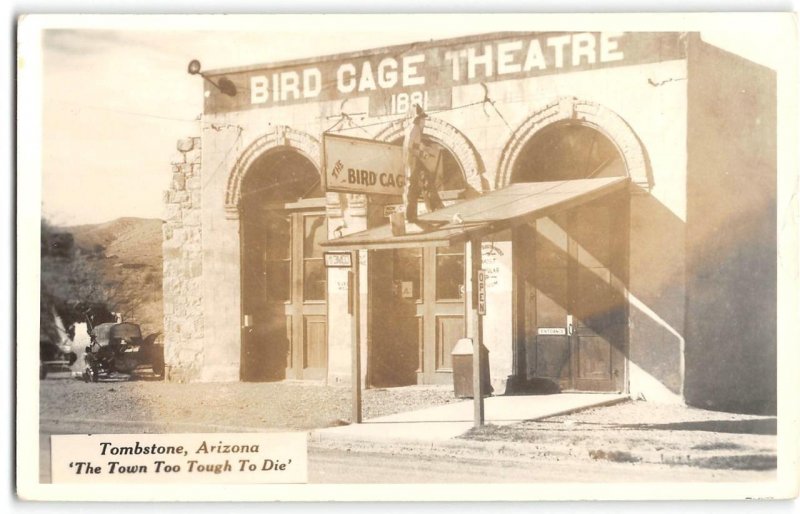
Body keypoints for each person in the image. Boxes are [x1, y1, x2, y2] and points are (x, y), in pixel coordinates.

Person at [401, 104, 444, 226]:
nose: (424, 123)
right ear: (418, 119)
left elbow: (416, 145)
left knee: (426, 180)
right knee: (412, 187)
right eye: (423, 120)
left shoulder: (414, 129)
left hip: (414, 161)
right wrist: (422, 153)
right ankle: (411, 216)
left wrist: (426, 150)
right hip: (411, 162)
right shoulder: (414, 129)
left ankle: (435, 205)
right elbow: (410, 148)